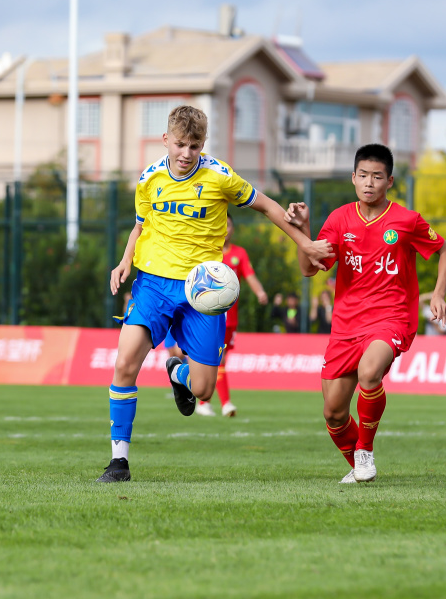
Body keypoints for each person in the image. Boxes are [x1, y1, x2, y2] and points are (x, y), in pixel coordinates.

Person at [99, 105, 333, 482]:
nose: (186, 153)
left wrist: (304, 243)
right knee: (125, 364)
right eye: (180, 144)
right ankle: (118, 462)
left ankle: (177, 372)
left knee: (204, 389)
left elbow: (267, 206)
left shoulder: (220, 176)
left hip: (203, 291)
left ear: (203, 144)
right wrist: (125, 260)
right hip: (153, 284)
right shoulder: (149, 178)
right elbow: (140, 226)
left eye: (194, 146)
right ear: (166, 140)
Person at [287, 143, 446, 484]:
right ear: (353, 177)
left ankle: (365, 451)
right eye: (363, 175)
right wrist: (303, 231)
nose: (369, 182)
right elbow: (308, 268)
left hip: (391, 318)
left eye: (377, 176)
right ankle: (359, 465)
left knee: (369, 372)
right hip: (346, 324)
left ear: (389, 181)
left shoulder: (407, 220)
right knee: (333, 413)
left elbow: (445, 250)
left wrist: (438, 293)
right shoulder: (339, 219)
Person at [196, 216, 268, 417]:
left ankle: (204, 402)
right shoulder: (207, 252)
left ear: (233, 229)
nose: (225, 228)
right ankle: (224, 403)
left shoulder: (239, 253)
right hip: (209, 316)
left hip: (230, 318)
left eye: (228, 225)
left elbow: (249, 275)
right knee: (217, 357)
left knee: (220, 357)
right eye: (221, 224)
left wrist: (260, 292)